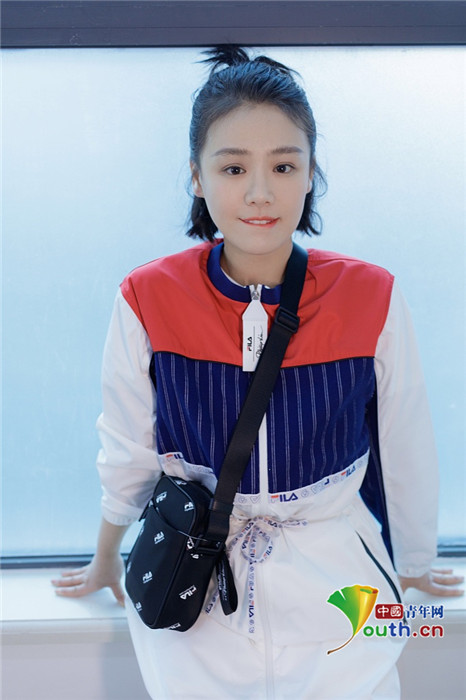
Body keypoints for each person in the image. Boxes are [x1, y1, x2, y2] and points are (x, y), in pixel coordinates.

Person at [52, 47, 463, 699]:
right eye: (234, 167)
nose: (260, 192)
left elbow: (404, 442)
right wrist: (106, 556)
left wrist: (413, 563)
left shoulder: (371, 294)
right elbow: (128, 449)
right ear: (197, 176)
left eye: (284, 165)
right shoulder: (146, 297)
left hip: (338, 578)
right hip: (197, 583)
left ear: (311, 173)